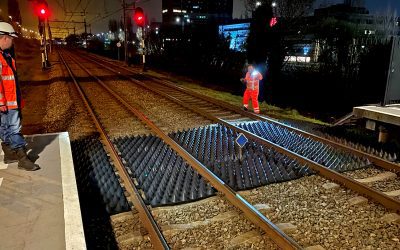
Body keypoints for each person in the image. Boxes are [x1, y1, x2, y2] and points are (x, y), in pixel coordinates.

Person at [0, 22, 40, 171]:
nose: (12, 41)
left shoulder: (6, 56)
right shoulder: (2, 57)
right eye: (11, 38)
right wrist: (1, 102)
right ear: (4, 38)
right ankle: (22, 159)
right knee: (15, 128)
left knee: (5, 127)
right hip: (6, 102)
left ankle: (9, 154)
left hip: (8, 100)